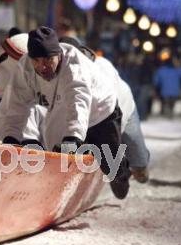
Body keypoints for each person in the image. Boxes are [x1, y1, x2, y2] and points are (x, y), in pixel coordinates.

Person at [0, 26, 131, 199]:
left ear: (58, 55)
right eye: (36, 60)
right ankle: (56, 189)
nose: (42, 66)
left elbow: (78, 102)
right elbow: (16, 104)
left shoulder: (74, 66)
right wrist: (11, 138)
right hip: (61, 106)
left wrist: (73, 138)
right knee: (57, 152)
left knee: (113, 172)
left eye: (47, 60)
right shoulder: (25, 67)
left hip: (100, 112)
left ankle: (122, 169)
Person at [59, 36, 151, 183]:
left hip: (122, 105)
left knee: (136, 155)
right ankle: (113, 172)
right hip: (93, 115)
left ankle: (135, 168)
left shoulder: (99, 67)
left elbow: (111, 109)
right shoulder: (61, 73)